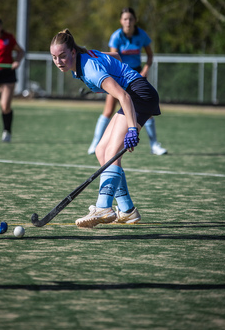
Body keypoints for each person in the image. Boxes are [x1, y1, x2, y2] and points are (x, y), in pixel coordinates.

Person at [50, 29, 161, 228]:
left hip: (139, 95)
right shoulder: (83, 59)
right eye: (54, 57)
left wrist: (132, 129)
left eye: (63, 56)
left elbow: (124, 97)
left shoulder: (90, 69)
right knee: (102, 151)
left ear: (73, 52)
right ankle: (127, 211)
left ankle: (104, 207)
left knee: (112, 152)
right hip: (133, 94)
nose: (58, 61)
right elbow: (116, 56)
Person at [87, 7, 167, 156]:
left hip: (136, 77)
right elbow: (112, 58)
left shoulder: (141, 35)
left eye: (130, 19)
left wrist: (145, 70)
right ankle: (95, 143)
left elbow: (150, 55)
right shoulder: (116, 36)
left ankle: (154, 145)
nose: (128, 22)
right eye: (125, 19)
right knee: (109, 110)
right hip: (118, 77)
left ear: (135, 20)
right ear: (121, 21)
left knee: (147, 112)